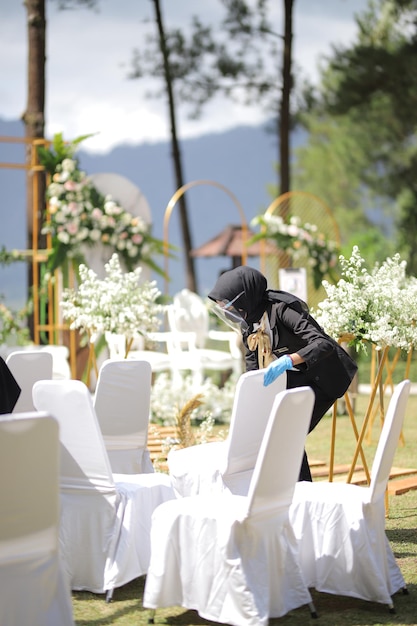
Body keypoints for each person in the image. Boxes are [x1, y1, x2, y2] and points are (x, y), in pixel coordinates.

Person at [208, 265, 358, 481]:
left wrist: (289, 360)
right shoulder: (249, 324)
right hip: (297, 378)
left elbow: (323, 344)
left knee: (288, 433)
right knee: (278, 431)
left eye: (230, 307)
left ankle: (301, 491)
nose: (230, 314)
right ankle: (290, 489)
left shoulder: (282, 309)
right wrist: (251, 396)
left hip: (324, 376)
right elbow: (252, 369)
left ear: (244, 299)